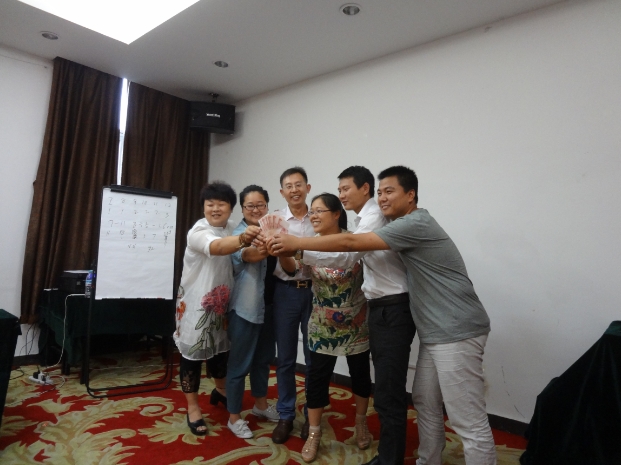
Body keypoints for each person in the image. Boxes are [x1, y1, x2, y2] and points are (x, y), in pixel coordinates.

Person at [269, 166, 497, 465]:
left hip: (454, 326)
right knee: (424, 401)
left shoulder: (409, 222)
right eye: (380, 192)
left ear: (410, 195)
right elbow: (346, 251)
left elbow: (349, 247)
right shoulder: (388, 221)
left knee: (465, 418)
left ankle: (390, 459)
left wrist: (297, 244)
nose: (382, 198)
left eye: (389, 191)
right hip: (432, 326)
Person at [301, 166, 415, 465]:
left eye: (346, 189)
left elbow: (346, 254)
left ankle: (383, 450)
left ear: (364, 189)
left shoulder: (370, 219)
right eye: (339, 190)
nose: (342, 194)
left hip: (384, 309)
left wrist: (297, 245)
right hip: (353, 314)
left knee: (382, 388)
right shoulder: (364, 220)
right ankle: (317, 433)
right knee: (378, 389)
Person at [275, 193, 372, 463]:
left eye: (320, 211)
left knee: (361, 376)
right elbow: (293, 269)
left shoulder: (355, 240)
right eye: (313, 212)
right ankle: (314, 433)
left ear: (336, 214)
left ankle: (361, 423)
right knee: (316, 378)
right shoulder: (309, 243)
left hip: (356, 322)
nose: (314, 216)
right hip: (321, 324)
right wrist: (282, 251)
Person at [174, 181, 260, 436]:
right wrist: (245, 238)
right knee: (193, 356)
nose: (215, 209)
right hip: (196, 306)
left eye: (221, 204)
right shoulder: (198, 231)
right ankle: (192, 408)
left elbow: (243, 251)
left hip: (224, 303)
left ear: (231, 208)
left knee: (221, 352)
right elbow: (218, 247)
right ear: (203, 207)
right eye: (210, 204)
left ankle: (221, 391)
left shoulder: (232, 227)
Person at [225, 185, 280, 438]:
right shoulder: (239, 234)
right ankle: (234, 417)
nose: (256, 210)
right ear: (242, 209)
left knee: (262, 361)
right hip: (245, 310)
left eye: (260, 205)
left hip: (269, 307)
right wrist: (272, 245)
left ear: (267, 206)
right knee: (239, 365)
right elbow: (247, 255)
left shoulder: (274, 229)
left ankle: (260, 405)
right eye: (250, 206)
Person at [270, 167, 316, 444]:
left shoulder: (319, 217)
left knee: (314, 358)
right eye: (289, 186)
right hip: (285, 292)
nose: (294, 190)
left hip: (316, 291)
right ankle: (285, 414)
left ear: (307, 188)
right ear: (282, 192)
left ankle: (312, 414)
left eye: (299, 185)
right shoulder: (274, 221)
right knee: (285, 358)